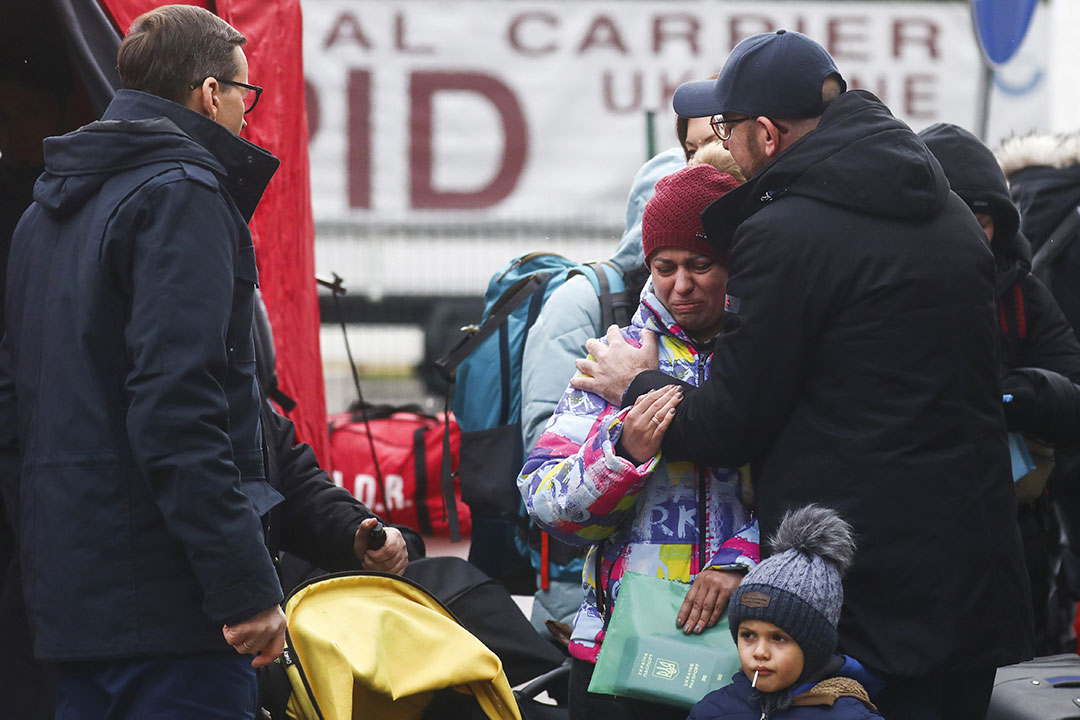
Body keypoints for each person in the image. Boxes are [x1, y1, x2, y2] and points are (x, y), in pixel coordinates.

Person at [571, 30, 1032, 720]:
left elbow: (729, 424)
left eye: (728, 128)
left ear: (766, 131)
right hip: (973, 574)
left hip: (861, 589)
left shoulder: (784, 230)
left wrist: (636, 384)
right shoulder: (951, 215)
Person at [0, 6, 300, 718]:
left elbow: (16, 410)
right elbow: (180, 409)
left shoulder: (44, 212)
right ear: (207, 93)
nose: (247, 118)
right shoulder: (184, 193)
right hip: (174, 608)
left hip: (71, 605)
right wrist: (245, 586)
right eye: (243, 94)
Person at [519, 163, 759, 720]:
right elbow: (545, 501)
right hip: (620, 651)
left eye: (701, 265)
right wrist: (621, 451)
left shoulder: (767, 355)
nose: (680, 285)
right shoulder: (615, 355)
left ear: (736, 263)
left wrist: (741, 563)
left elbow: (811, 485)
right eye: (664, 267)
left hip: (750, 645)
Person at [921, 122, 1080, 655]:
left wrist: (1022, 394)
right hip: (911, 527)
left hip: (1010, 529)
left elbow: (1071, 389)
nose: (967, 232)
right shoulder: (884, 283)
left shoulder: (1022, 293)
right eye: (952, 215)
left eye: (980, 218)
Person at [689, 504, 883, 720]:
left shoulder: (849, 716)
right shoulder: (712, 710)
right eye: (748, 635)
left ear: (814, 647)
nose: (760, 652)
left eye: (779, 638)